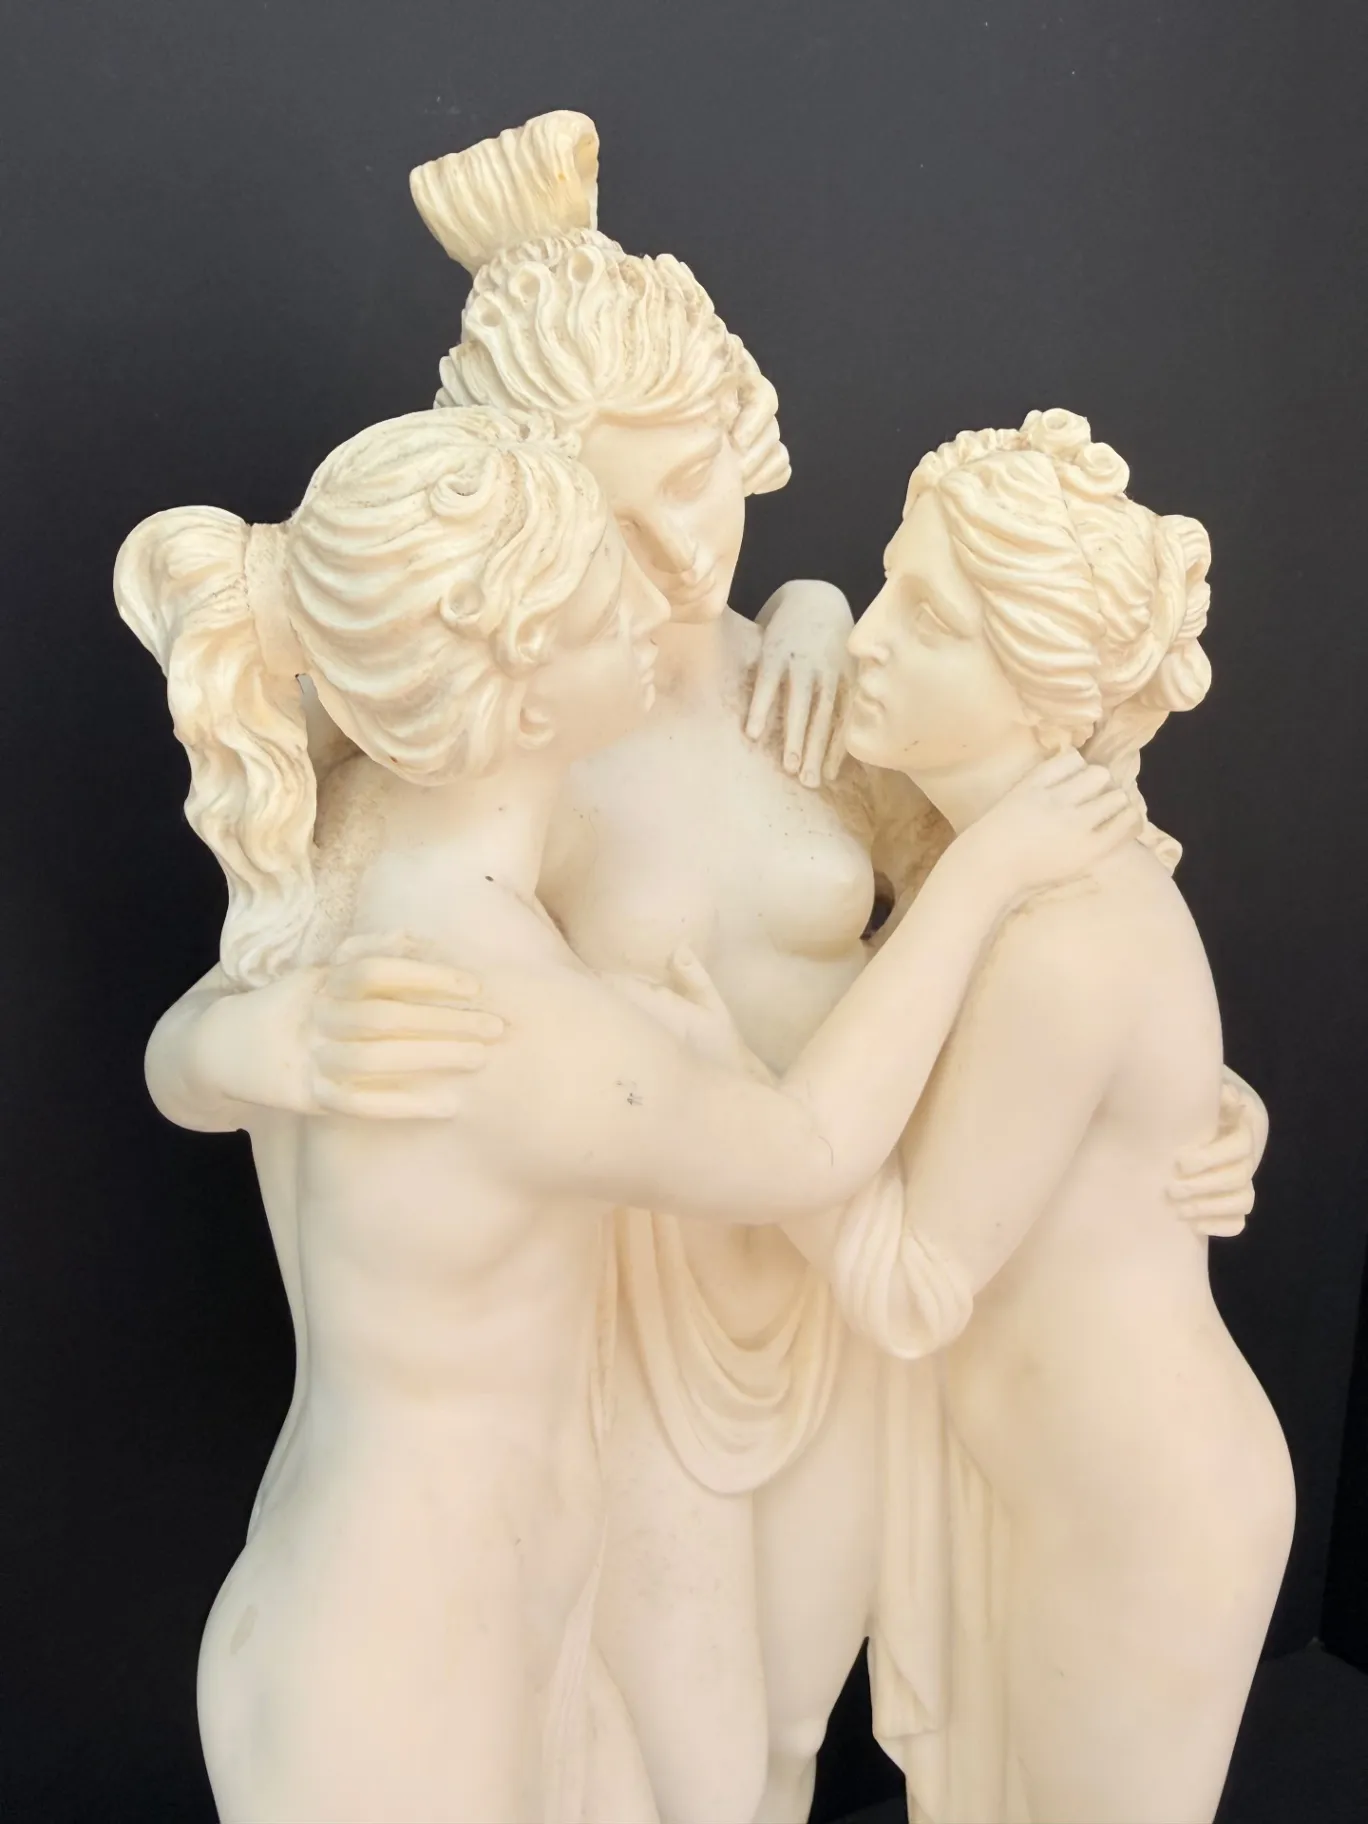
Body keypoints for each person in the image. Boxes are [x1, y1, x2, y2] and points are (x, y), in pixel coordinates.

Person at [141, 114, 1267, 1824]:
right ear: (530, 527)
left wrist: (1179, 1104)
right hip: (624, 1320)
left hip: (844, 1297)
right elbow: (264, 1036)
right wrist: (256, 1043)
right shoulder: (498, 746)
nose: (675, 559)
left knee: (790, 1734)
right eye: (618, 518)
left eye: (697, 489)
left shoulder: (813, 680)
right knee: (685, 1768)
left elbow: (1026, 920)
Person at [819, 409, 1294, 1824]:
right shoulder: (997, 873)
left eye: (931, 619)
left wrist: (722, 1096)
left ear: (1040, 689)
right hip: (1036, 1496)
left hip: (1140, 1515)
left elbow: (911, 1284)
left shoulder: (1060, 934)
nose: (867, 638)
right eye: (887, 584)